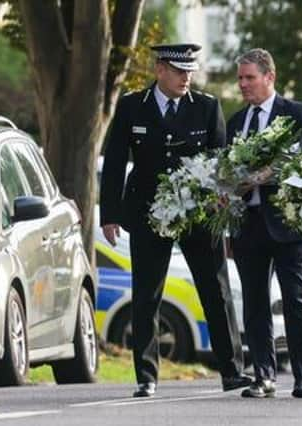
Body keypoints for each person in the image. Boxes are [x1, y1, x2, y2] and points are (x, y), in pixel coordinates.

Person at [100, 43, 252, 397]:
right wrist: (110, 215)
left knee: (215, 290)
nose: (187, 78)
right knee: (146, 294)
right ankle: (147, 376)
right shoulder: (130, 107)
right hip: (148, 213)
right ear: (160, 71)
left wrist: (221, 203)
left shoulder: (207, 107)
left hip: (198, 213)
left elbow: (220, 163)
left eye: (190, 72)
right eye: (180, 71)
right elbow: (114, 164)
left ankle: (231, 370)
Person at [227, 48, 302, 398]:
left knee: (296, 299)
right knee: (254, 302)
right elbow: (226, 169)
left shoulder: (296, 114)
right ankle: (262, 375)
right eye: (240, 79)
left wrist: (270, 174)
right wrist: (231, 184)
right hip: (247, 225)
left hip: (288, 226)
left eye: (249, 78)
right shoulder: (236, 122)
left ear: (270, 77)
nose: (243, 85)